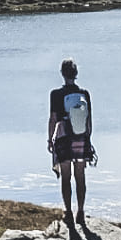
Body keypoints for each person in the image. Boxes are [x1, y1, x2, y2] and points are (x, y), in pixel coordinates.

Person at [47, 58, 96, 225]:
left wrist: (50, 140)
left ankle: (68, 212)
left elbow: (53, 118)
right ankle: (81, 212)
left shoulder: (56, 94)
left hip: (63, 136)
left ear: (62, 73)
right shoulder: (84, 93)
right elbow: (89, 119)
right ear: (76, 74)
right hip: (80, 136)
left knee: (66, 177)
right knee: (80, 176)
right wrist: (88, 138)